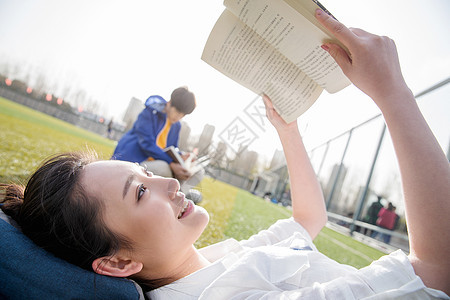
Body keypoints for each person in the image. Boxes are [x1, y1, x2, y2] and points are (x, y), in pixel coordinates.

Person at [1, 9, 449, 299]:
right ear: (119, 263)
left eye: (144, 175)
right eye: (139, 191)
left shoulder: (211, 261)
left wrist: (287, 130)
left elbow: (307, 222)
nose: (171, 183)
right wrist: (393, 93)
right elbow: (439, 269)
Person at [112, 86, 204, 194]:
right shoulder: (151, 112)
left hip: (157, 164)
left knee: (199, 171)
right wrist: (170, 163)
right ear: (170, 103)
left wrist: (181, 156)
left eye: (182, 115)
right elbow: (146, 144)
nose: (178, 117)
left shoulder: (176, 126)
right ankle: (175, 195)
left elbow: (171, 149)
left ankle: (181, 196)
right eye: (177, 112)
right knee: (164, 168)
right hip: (135, 162)